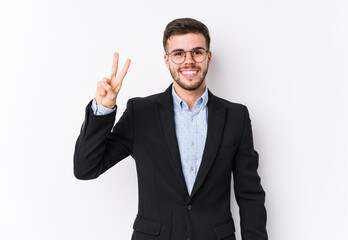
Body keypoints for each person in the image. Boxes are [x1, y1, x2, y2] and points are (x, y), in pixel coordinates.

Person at [74, 18, 268, 240]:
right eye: (179, 54)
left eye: (197, 52)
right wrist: (104, 109)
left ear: (209, 57)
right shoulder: (141, 113)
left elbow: (250, 195)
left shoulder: (236, 116)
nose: (189, 61)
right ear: (167, 60)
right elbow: (85, 168)